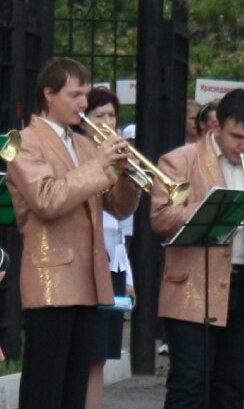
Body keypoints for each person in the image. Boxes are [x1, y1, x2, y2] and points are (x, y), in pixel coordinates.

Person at [150, 89, 244, 407]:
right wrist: (214, 210)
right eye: (237, 137)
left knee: (233, 389)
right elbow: (160, 218)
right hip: (194, 284)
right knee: (188, 386)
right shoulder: (180, 160)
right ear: (217, 125)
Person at [7, 58, 141, 409]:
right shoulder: (23, 142)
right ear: (49, 94)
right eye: (75, 95)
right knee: (44, 390)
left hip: (89, 278)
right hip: (51, 280)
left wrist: (129, 176)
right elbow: (46, 200)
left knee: (73, 391)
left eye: (85, 94)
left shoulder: (84, 145)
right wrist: (99, 165)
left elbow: (118, 207)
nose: (84, 103)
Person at [81, 87, 138, 409]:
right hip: (85, 265)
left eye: (112, 115)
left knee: (99, 355)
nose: (107, 122)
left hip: (113, 264)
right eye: (99, 115)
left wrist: (127, 275)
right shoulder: (79, 156)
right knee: (84, 351)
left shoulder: (118, 158)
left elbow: (118, 221)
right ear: (84, 120)